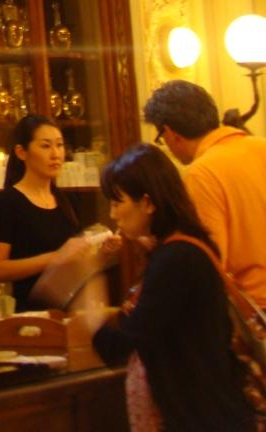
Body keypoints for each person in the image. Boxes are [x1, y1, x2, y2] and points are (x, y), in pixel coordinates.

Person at [82, 143, 254, 431]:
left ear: (148, 203)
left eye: (117, 202)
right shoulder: (188, 246)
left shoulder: (175, 259)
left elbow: (120, 346)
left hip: (201, 418)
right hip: (215, 412)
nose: (113, 214)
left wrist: (87, 293)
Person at [144, 79, 266, 307]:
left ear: (170, 133)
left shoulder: (201, 174)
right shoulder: (261, 146)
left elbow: (209, 263)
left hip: (256, 309)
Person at [0, 115, 89, 310]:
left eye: (60, 145)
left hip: (71, 311)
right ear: (21, 152)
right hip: (33, 316)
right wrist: (54, 258)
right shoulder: (8, 202)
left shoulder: (68, 200)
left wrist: (99, 250)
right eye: (45, 146)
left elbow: (75, 260)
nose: (56, 154)